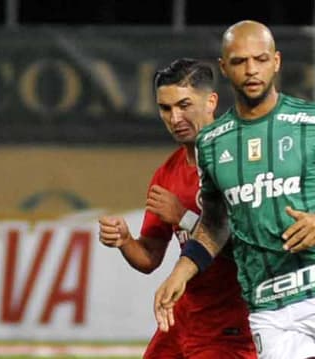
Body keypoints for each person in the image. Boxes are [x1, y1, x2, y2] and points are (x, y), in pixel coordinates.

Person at [154, 20, 315, 359]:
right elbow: (216, 224)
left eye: (260, 59)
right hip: (269, 309)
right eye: (239, 62)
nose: (251, 70)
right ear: (224, 68)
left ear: (275, 62)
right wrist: (182, 271)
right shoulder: (212, 144)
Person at [98, 58, 256, 358]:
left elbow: (252, 246)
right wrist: (125, 240)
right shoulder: (167, 173)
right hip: (182, 321)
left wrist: (183, 218)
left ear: (211, 102)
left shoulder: (241, 160)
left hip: (230, 327)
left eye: (184, 105)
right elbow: (149, 258)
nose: (175, 117)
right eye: (166, 108)